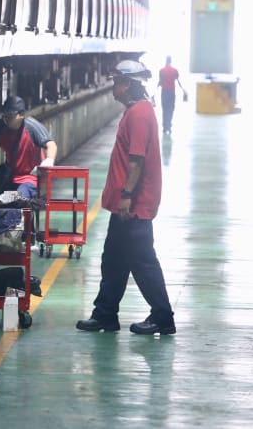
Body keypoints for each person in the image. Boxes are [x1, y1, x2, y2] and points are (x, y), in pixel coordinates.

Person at [76, 60, 176, 335]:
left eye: (117, 82)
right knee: (114, 260)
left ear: (128, 85)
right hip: (127, 204)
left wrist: (127, 195)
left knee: (142, 261)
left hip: (133, 205)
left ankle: (163, 317)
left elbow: (136, 160)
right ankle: (105, 314)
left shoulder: (139, 114)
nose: (113, 86)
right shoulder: (135, 111)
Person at [0, 95, 57, 200]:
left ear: (21, 115)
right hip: (11, 177)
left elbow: (51, 145)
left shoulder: (31, 127)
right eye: (5, 116)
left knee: (18, 197)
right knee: (0, 200)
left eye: (10, 116)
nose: (7, 120)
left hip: (30, 178)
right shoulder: (1, 129)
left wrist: (49, 160)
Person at [157, 55, 186, 135]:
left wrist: (156, 90)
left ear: (166, 61)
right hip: (172, 92)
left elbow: (160, 81)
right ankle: (169, 127)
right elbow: (178, 81)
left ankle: (164, 127)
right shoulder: (175, 70)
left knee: (164, 109)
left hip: (164, 92)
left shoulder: (161, 70)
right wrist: (183, 89)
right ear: (171, 61)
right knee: (170, 109)